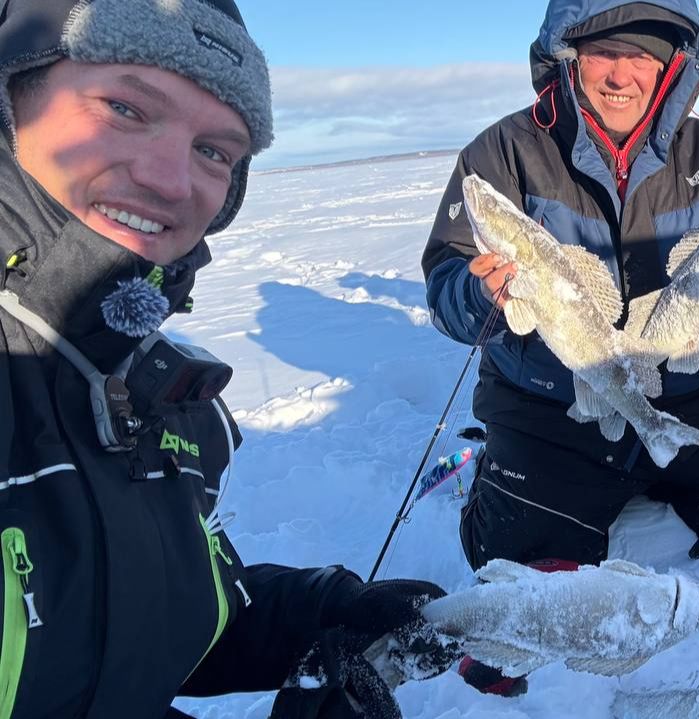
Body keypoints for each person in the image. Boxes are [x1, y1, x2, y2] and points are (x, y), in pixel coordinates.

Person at [0, 1, 461, 717]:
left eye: (215, 150)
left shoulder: (148, 394)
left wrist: (320, 612)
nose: (171, 180)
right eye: (124, 106)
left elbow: (125, 633)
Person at [424, 0, 699, 610]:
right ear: (567, 58)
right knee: (517, 559)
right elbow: (445, 283)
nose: (620, 75)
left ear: (672, 66)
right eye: (602, 53)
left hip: (698, 389)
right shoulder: (501, 151)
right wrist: (476, 292)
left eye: (639, 56)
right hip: (550, 399)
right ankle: (498, 472)